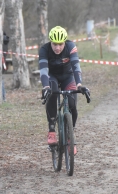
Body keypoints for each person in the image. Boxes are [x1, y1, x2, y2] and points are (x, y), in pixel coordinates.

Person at [39, 26, 90, 155]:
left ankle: (70, 136)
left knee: (72, 105)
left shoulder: (71, 46)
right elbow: (44, 71)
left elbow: (76, 66)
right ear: (50, 42)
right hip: (52, 77)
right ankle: (51, 131)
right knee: (52, 92)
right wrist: (46, 87)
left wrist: (79, 84)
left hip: (68, 76)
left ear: (64, 42)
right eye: (55, 44)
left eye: (60, 44)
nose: (57, 48)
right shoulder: (44, 50)